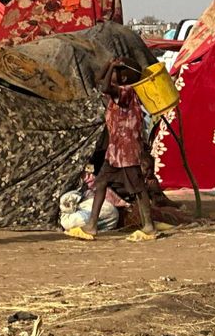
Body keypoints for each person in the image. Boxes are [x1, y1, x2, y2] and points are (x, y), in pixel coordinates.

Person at [67, 59, 156, 242]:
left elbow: (105, 87)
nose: (110, 75)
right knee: (101, 183)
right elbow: (99, 80)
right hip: (116, 151)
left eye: (115, 73)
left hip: (127, 150)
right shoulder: (120, 90)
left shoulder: (125, 91)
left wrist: (113, 67)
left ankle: (149, 226)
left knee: (138, 188)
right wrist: (109, 64)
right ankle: (91, 226)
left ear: (124, 78)